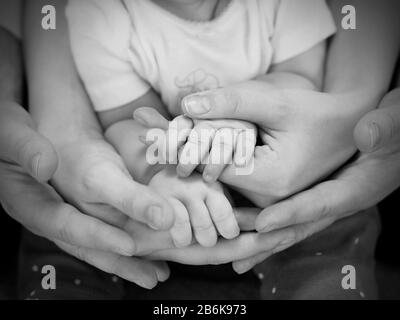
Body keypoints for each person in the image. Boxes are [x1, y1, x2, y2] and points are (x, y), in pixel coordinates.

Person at [4, 0, 397, 299]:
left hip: (288, 170)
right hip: (165, 183)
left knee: (332, 237)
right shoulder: (101, 16)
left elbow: (302, 78)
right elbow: (126, 120)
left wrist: (241, 113)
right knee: (67, 235)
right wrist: (160, 174)